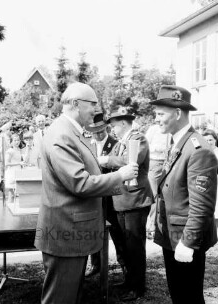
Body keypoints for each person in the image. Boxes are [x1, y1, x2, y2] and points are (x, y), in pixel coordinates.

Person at [34, 82, 138, 304]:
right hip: (66, 233)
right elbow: (80, 183)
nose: (95, 109)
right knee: (60, 298)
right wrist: (120, 176)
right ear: (74, 104)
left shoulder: (71, 131)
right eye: (92, 104)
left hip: (71, 231)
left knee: (70, 295)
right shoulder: (62, 135)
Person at [150, 85, 218, 304]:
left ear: (178, 113)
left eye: (161, 114)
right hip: (173, 236)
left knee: (189, 298)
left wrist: (188, 243)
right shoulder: (178, 142)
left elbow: (202, 207)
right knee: (179, 296)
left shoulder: (198, 150)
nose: (157, 119)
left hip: (185, 239)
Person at [100, 107, 153, 301]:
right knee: (123, 245)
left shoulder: (138, 139)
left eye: (113, 124)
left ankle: (137, 287)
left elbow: (129, 161)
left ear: (123, 123)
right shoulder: (119, 143)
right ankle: (129, 280)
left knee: (134, 247)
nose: (112, 128)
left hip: (134, 201)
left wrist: (105, 159)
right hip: (120, 201)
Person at [85, 112, 125, 278]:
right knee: (94, 232)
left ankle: (125, 267)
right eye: (95, 131)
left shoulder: (116, 144)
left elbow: (121, 164)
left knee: (117, 233)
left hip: (111, 197)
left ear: (107, 128)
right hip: (95, 197)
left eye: (101, 130)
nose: (99, 134)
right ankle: (96, 264)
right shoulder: (88, 145)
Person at [145, 123, 170, 238]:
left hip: (167, 163)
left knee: (164, 195)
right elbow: (145, 145)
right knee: (154, 195)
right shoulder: (153, 129)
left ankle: (160, 226)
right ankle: (150, 226)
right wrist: (159, 149)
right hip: (155, 162)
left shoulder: (171, 129)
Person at [5, 133, 23, 202]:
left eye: (18, 140)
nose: (17, 142)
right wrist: (18, 163)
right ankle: (9, 208)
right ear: (11, 142)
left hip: (18, 171)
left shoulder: (19, 150)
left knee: (18, 193)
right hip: (11, 172)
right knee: (11, 193)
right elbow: (6, 163)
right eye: (15, 140)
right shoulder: (10, 151)